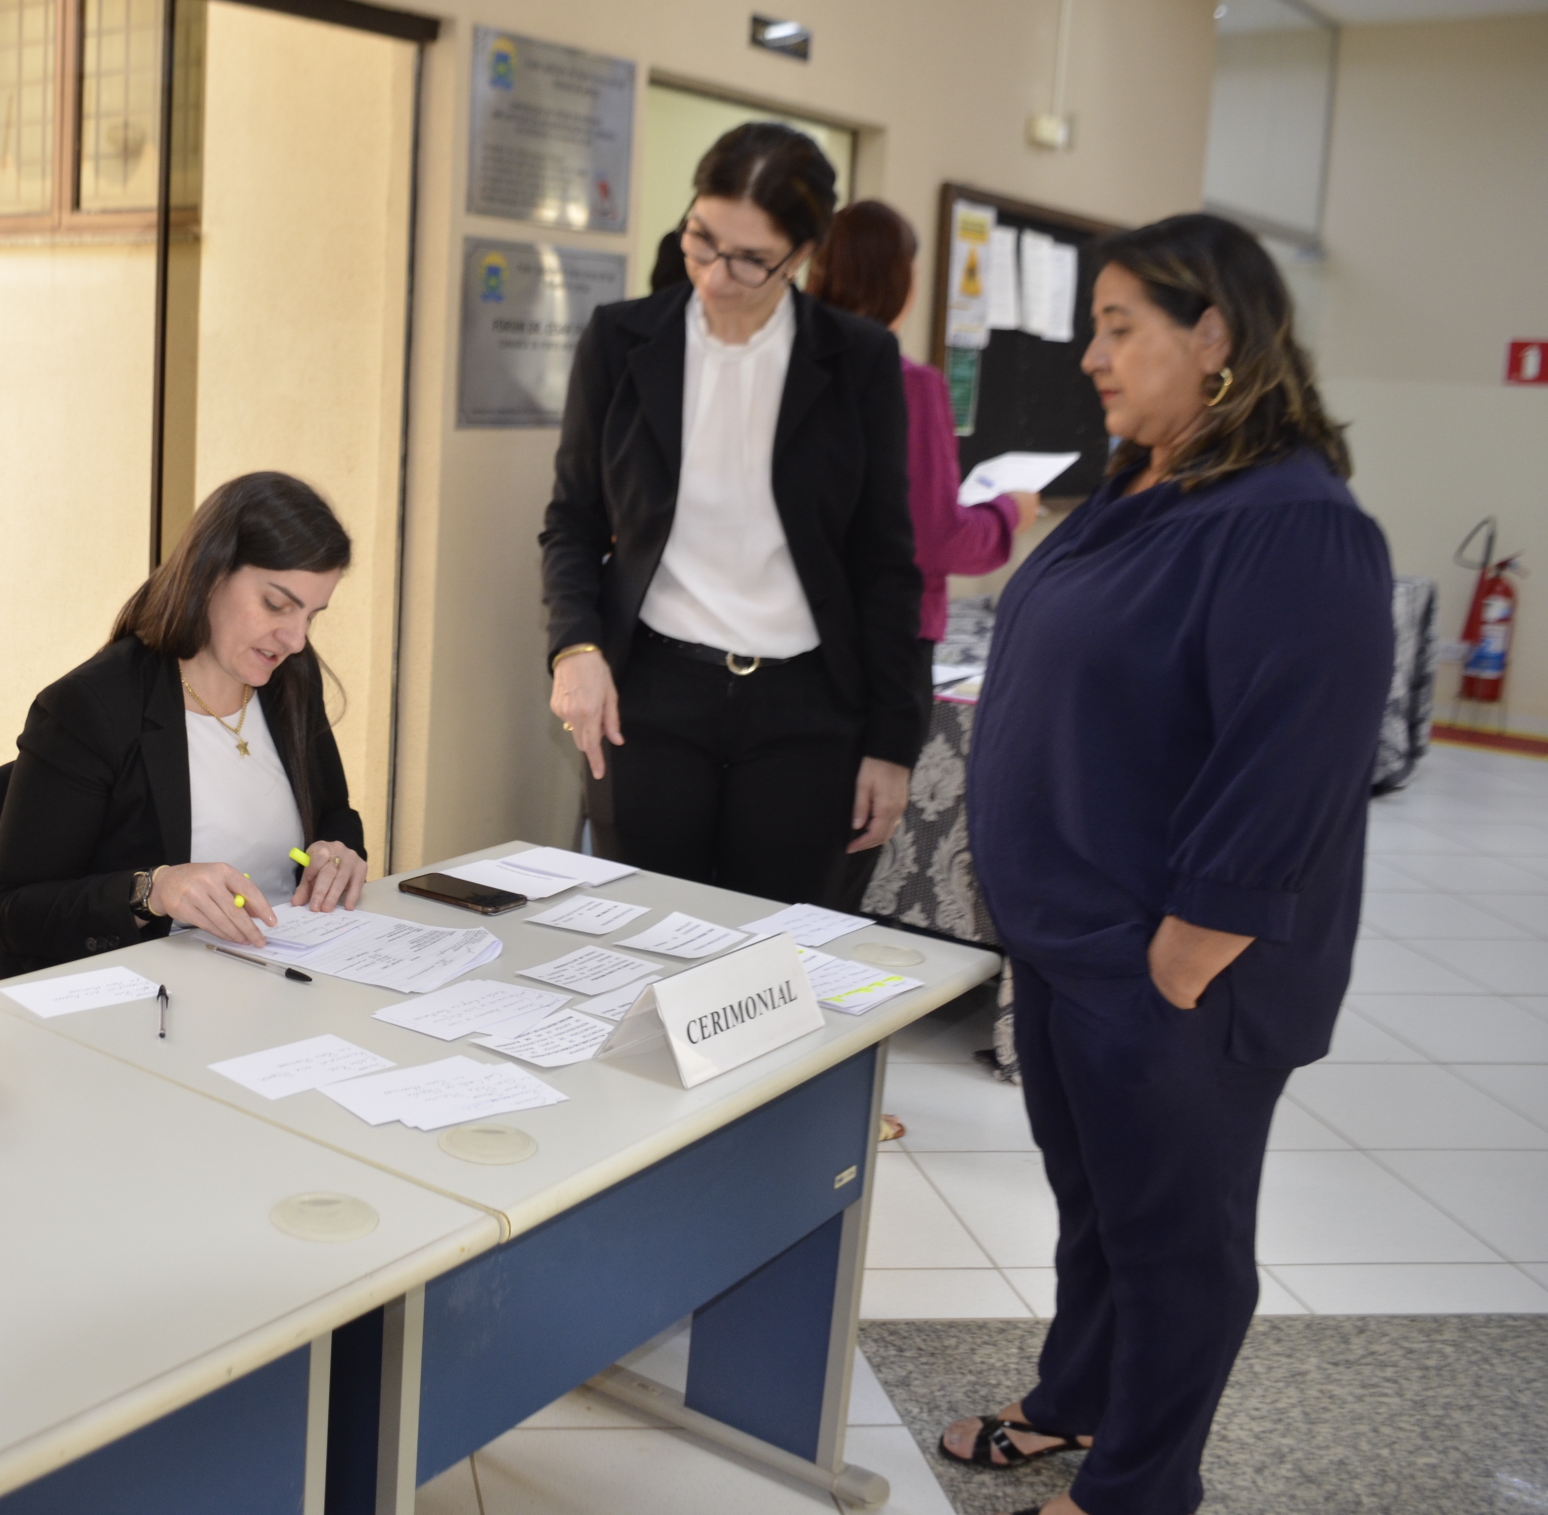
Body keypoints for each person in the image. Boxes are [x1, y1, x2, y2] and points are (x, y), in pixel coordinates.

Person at [945, 214, 1392, 1515]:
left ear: (1216, 337)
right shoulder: (1143, 480)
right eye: (1096, 323)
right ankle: (1075, 1397)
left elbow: (1291, 766)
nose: (1092, 354)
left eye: (1118, 325)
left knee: (1178, 1244)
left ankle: (1140, 1487)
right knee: (1098, 1210)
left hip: (1176, 970)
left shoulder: (1296, 523)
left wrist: (1185, 957)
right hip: (1079, 947)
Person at [541, 122, 924, 905]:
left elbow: (886, 562)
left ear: (803, 254)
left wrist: (893, 743)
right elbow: (573, 521)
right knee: (641, 940)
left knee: (781, 964)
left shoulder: (857, 361)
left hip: (809, 710)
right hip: (651, 701)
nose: (715, 277)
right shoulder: (621, 340)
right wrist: (574, 646)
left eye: (750, 259)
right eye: (701, 241)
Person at [0, 472, 369, 978]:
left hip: (284, 973)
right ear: (210, 574)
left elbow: (333, 815)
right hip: (148, 997)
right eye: (276, 605)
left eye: (312, 616)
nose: (295, 639)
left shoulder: (290, 680)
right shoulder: (91, 707)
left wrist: (337, 853)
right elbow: (14, 911)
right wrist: (152, 891)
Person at [807, 198, 1040, 915]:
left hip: (787, 648)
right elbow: (937, 538)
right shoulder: (909, 386)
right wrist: (1009, 511)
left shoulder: (790, 372)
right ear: (901, 281)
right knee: (833, 882)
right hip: (882, 650)